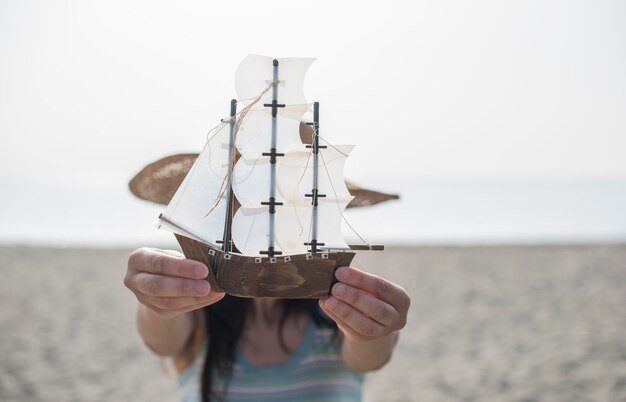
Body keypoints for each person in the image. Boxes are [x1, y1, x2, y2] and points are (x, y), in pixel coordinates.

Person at [124, 247, 410, 402]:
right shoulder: (199, 312)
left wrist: (374, 328)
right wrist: (156, 302)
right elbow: (162, 340)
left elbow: (371, 356)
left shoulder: (333, 311)